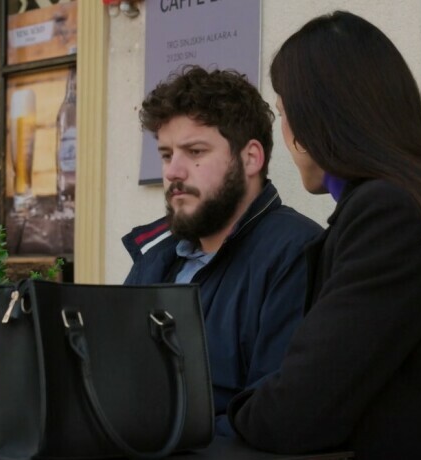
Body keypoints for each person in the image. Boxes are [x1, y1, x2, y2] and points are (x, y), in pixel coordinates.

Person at [227, 11, 421, 459]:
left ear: (317, 120)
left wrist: (230, 411)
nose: (285, 135)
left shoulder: (390, 215)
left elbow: (297, 413)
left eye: (284, 113)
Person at [122, 66, 322, 437]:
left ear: (251, 158)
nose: (174, 172)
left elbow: (276, 415)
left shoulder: (296, 252)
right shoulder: (154, 257)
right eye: (166, 155)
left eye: (194, 151)